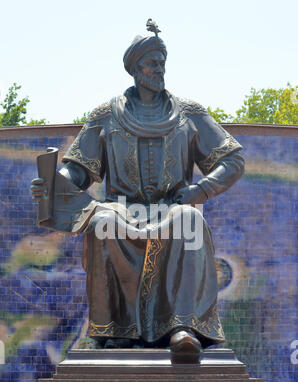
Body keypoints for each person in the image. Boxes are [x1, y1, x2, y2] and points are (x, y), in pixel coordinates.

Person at [31, 21, 244, 363]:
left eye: (163, 61)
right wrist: (54, 181)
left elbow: (232, 159)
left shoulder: (189, 113)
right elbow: (79, 170)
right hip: (122, 211)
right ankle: (113, 333)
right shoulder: (105, 116)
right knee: (103, 220)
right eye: (152, 61)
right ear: (134, 67)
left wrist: (200, 190)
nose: (159, 68)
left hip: (174, 208)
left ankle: (183, 329)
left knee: (189, 221)